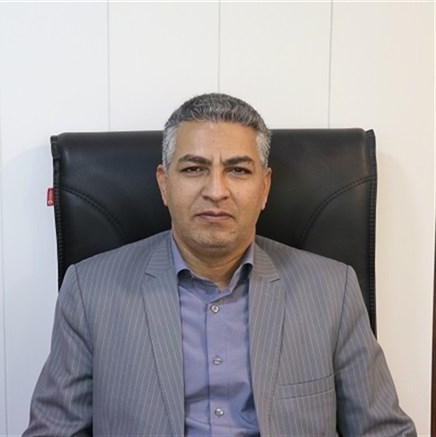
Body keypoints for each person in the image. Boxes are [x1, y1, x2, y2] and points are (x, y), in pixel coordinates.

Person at [24, 93, 415, 436]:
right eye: (194, 169)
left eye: (238, 170)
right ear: (164, 183)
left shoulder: (331, 291)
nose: (216, 191)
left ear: (264, 187)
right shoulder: (90, 292)